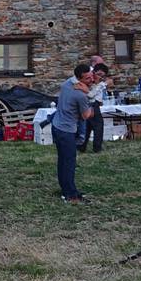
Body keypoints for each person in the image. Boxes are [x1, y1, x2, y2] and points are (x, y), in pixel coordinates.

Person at [51, 64, 94, 203]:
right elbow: (86, 115)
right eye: (87, 78)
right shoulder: (80, 95)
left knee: (62, 160)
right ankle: (70, 194)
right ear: (80, 78)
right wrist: (89, 96)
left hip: (57, 126)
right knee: (69, 162)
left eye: (91, 76)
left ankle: (65, 189)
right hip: (66, 130)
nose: (91, 79)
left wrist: (87, 89)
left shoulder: (67, 83)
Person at [80, 63, 111, 153]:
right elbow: (90, 95)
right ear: (94, 72)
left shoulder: (98, 83)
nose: (100, 77)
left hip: (95, 105)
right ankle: (96, 148)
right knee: (97, 127)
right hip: (91, 105)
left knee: (88, 127)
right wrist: (103, 84)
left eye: (103, 76)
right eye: (99, 74)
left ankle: (82, 147)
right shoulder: (90, 83)